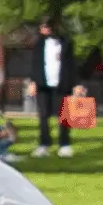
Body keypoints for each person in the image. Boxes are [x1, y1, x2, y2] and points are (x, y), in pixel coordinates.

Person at [34, 25, 72, 158]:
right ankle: (44, 144)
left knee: (63, 116)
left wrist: (76, 84)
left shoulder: (65, 42)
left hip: (61, 84)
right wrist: (33, 81)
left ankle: (65, 145)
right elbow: (35, 64)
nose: (43, 29)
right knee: (43, 115)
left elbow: (71, 64)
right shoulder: (39, 44)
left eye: (45, 27)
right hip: (43, 84)